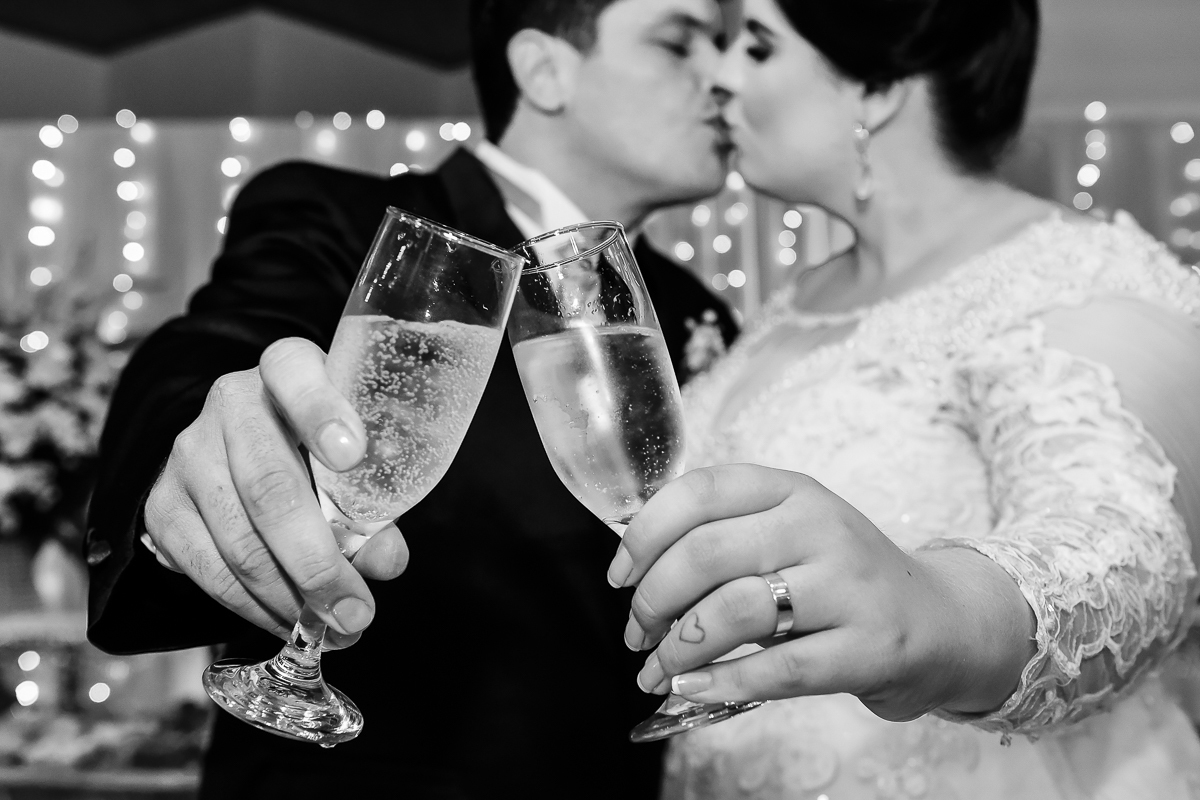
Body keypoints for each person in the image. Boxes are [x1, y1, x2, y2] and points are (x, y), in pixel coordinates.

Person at [83, 1, 738, 797]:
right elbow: (210, 356)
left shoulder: (689, 304)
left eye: (731, 46)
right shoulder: (342, 218)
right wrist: (195, 443)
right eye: (681, 42)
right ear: (544, 71)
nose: (724, 76)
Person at [612, 0, 1200, 797]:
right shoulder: (791, 305)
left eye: (756, 46)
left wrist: (933, 618)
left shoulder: (1067, 277)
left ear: (876, 89)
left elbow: (1123, 549)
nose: (716, 77)